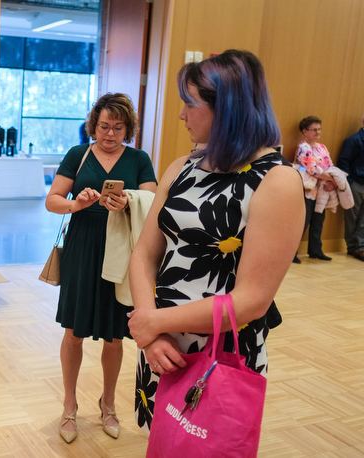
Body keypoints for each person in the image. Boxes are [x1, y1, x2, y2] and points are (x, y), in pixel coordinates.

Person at [127, 50, 304, 434]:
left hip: (220, 356)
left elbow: (251, 301)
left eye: (189, 104)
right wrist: (152, 334)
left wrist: (153, 322)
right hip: (162, 345)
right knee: (162, 441)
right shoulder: (182, 166)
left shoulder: (277, 181)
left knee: (207, 444)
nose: (181, 115)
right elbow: (144, 254)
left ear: (227, 109)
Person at [45, 93, 157, 442]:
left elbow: (153, 204)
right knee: (73, 331)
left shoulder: (139, 158)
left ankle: (108, 404)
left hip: (121, 251)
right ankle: (69, 405)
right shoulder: (78, 155)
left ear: (129, 129)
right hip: (82, 248)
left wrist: (127, 203)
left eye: (118, 127)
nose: (109, 134)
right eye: (104, 126)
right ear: (93, 125)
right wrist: (76, 204)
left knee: (113, 334)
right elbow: (53, 201)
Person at [292, 116, 337, 261]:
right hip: (307, 190)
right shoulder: (303, 147)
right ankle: (292, 253)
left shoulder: (322, 147)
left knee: (318, 221)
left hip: (322, 190)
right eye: (314, 130)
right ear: (305, 131)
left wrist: (332, 179)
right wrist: (330, 178)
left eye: (319, 129)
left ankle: (315, 250)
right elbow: (312, 169)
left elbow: (330, 166)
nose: (318, 132)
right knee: (302, 222)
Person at [337, 114, 364, 261]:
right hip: (356, 183)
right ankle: (353, 247)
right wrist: (349, 182)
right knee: (352, 217)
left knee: (363, 219)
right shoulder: (353, 140)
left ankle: (361, 247)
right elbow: (344, 162)